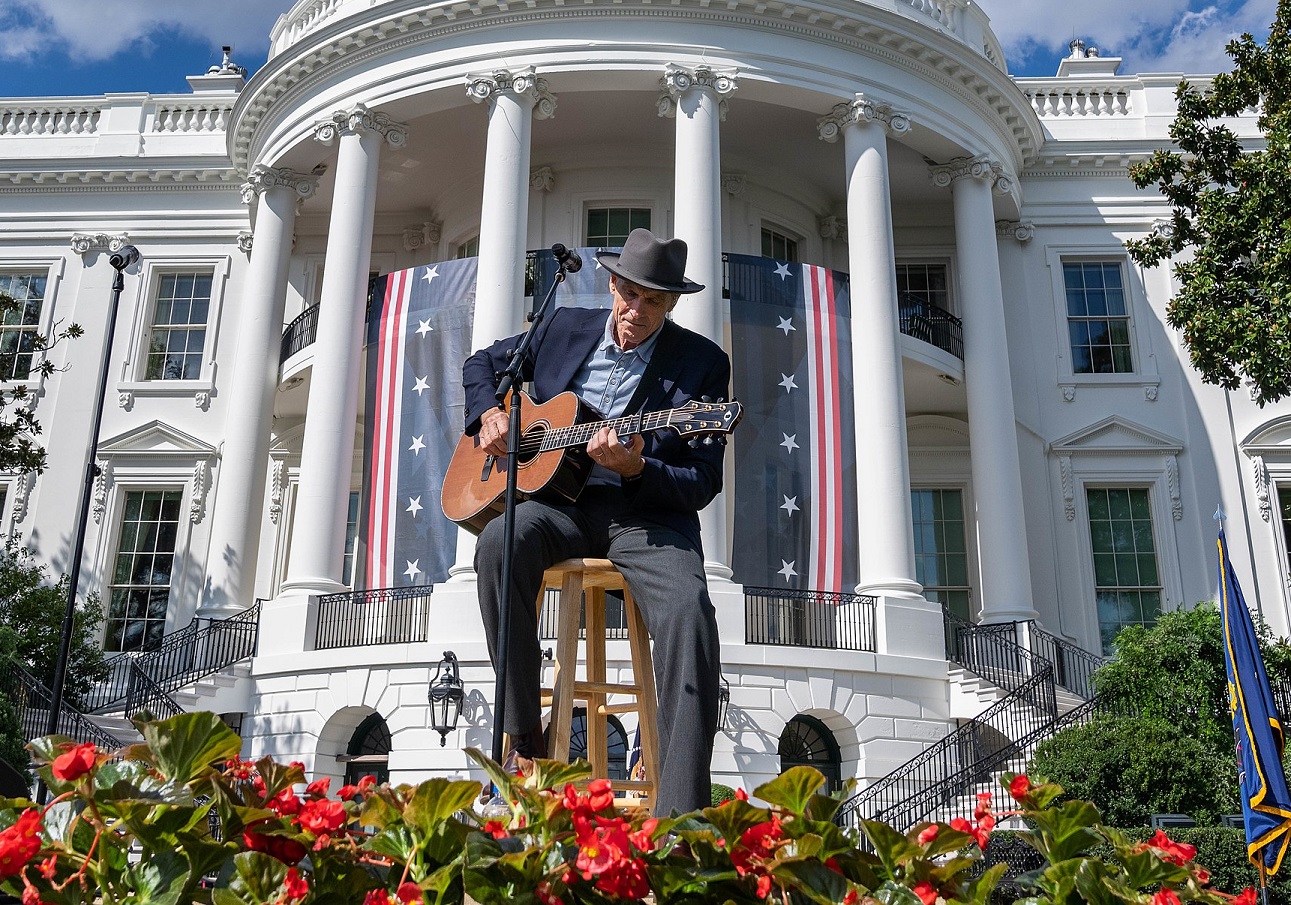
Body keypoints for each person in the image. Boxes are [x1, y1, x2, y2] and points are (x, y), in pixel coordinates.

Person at [462, 228, 730, 815]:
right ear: (612, 283)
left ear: (672, 303)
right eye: (628, 294)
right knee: (499, 544)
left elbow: (701, 482)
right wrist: (489, 415)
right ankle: (523, 746)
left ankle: (679, 816)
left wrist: (638, 467)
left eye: (652, 301)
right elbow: (483, 364)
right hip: (560, 505)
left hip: (645, 518)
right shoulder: (562, 327)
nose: (635, 311)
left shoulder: (703, 366)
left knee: (690, 613)